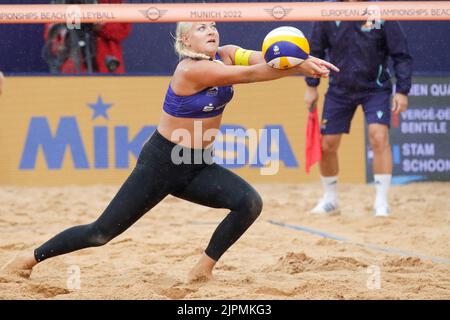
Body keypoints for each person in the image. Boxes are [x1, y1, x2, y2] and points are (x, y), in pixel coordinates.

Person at [4, 22, 338, 282]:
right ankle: (29, 259)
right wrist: (300, 68)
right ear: (185, 42)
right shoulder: (191, 69)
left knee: (248, 203)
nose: (210, 31)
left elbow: (263, 60)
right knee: (100, 233)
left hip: (195, 163)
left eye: (211, 27)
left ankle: (202, 269)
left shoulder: (226, 52)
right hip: (162, 161)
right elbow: (251, 74)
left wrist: (303, 60)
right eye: (200, 29)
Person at [304, 0, 413, 217]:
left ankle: (381, 202)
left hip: (376, 88)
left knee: (378, 137)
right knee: (327, 145)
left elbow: (400, 54)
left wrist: (402, 90)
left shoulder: (379, 11)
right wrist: (311, 86)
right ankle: (330, 199)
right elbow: (315, 52)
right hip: (339, 90)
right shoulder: (328, 11)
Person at [43, 0, 131, 74]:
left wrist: (102, 24)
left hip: (106, 67)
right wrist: (64, 33)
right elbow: (54, 40)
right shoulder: (61, 3)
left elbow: (123, 29)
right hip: (72, 68)